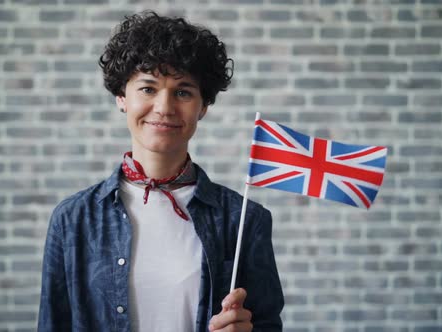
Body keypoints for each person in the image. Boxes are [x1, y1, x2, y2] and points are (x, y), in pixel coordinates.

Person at [38, 11, 284, 332]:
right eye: (148, 88)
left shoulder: (244, 220)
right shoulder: (72, 220)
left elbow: (267, 325)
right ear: (121, 97)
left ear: (204, 106)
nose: (164, 107)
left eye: (183, 92)